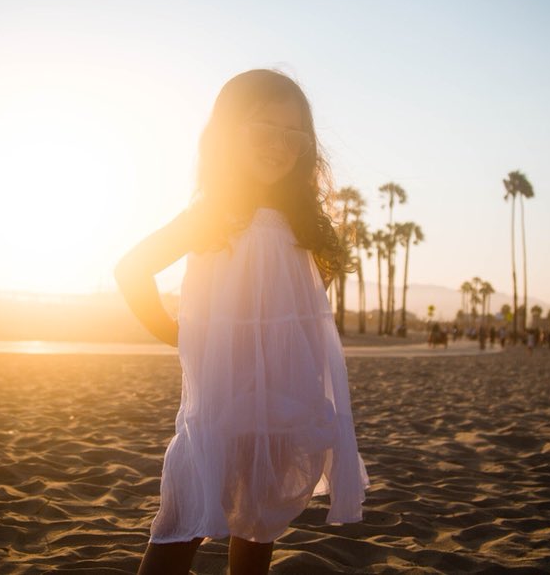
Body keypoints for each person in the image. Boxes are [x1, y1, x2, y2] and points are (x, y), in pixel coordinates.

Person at [115, 69, 369, 575]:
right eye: (263, 130)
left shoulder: (303, 223)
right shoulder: (213, 214)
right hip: (222, 395)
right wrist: (173, 331)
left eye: (293, 135)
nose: (279, 145)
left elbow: (309, 294)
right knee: (188, 506)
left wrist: (290, 335)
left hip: (286, 393)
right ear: (229, 134)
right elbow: (131, 268)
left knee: (261, 518)